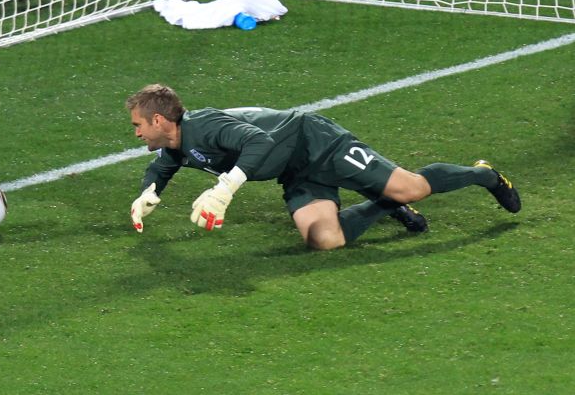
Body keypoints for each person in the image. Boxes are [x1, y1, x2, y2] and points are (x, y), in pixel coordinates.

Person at [127, 84, 520, 250]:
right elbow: (163, 165)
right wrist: (149, 192)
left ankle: (484, 174)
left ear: (159, 121)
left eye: (138, 125)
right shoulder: (177, 143)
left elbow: (259, 141)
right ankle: (386, 204)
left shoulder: (206, 126)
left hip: (318, 143)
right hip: (295, 172)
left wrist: (225, 188)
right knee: (323, 240)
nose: (137, 134)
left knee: (413, 187)